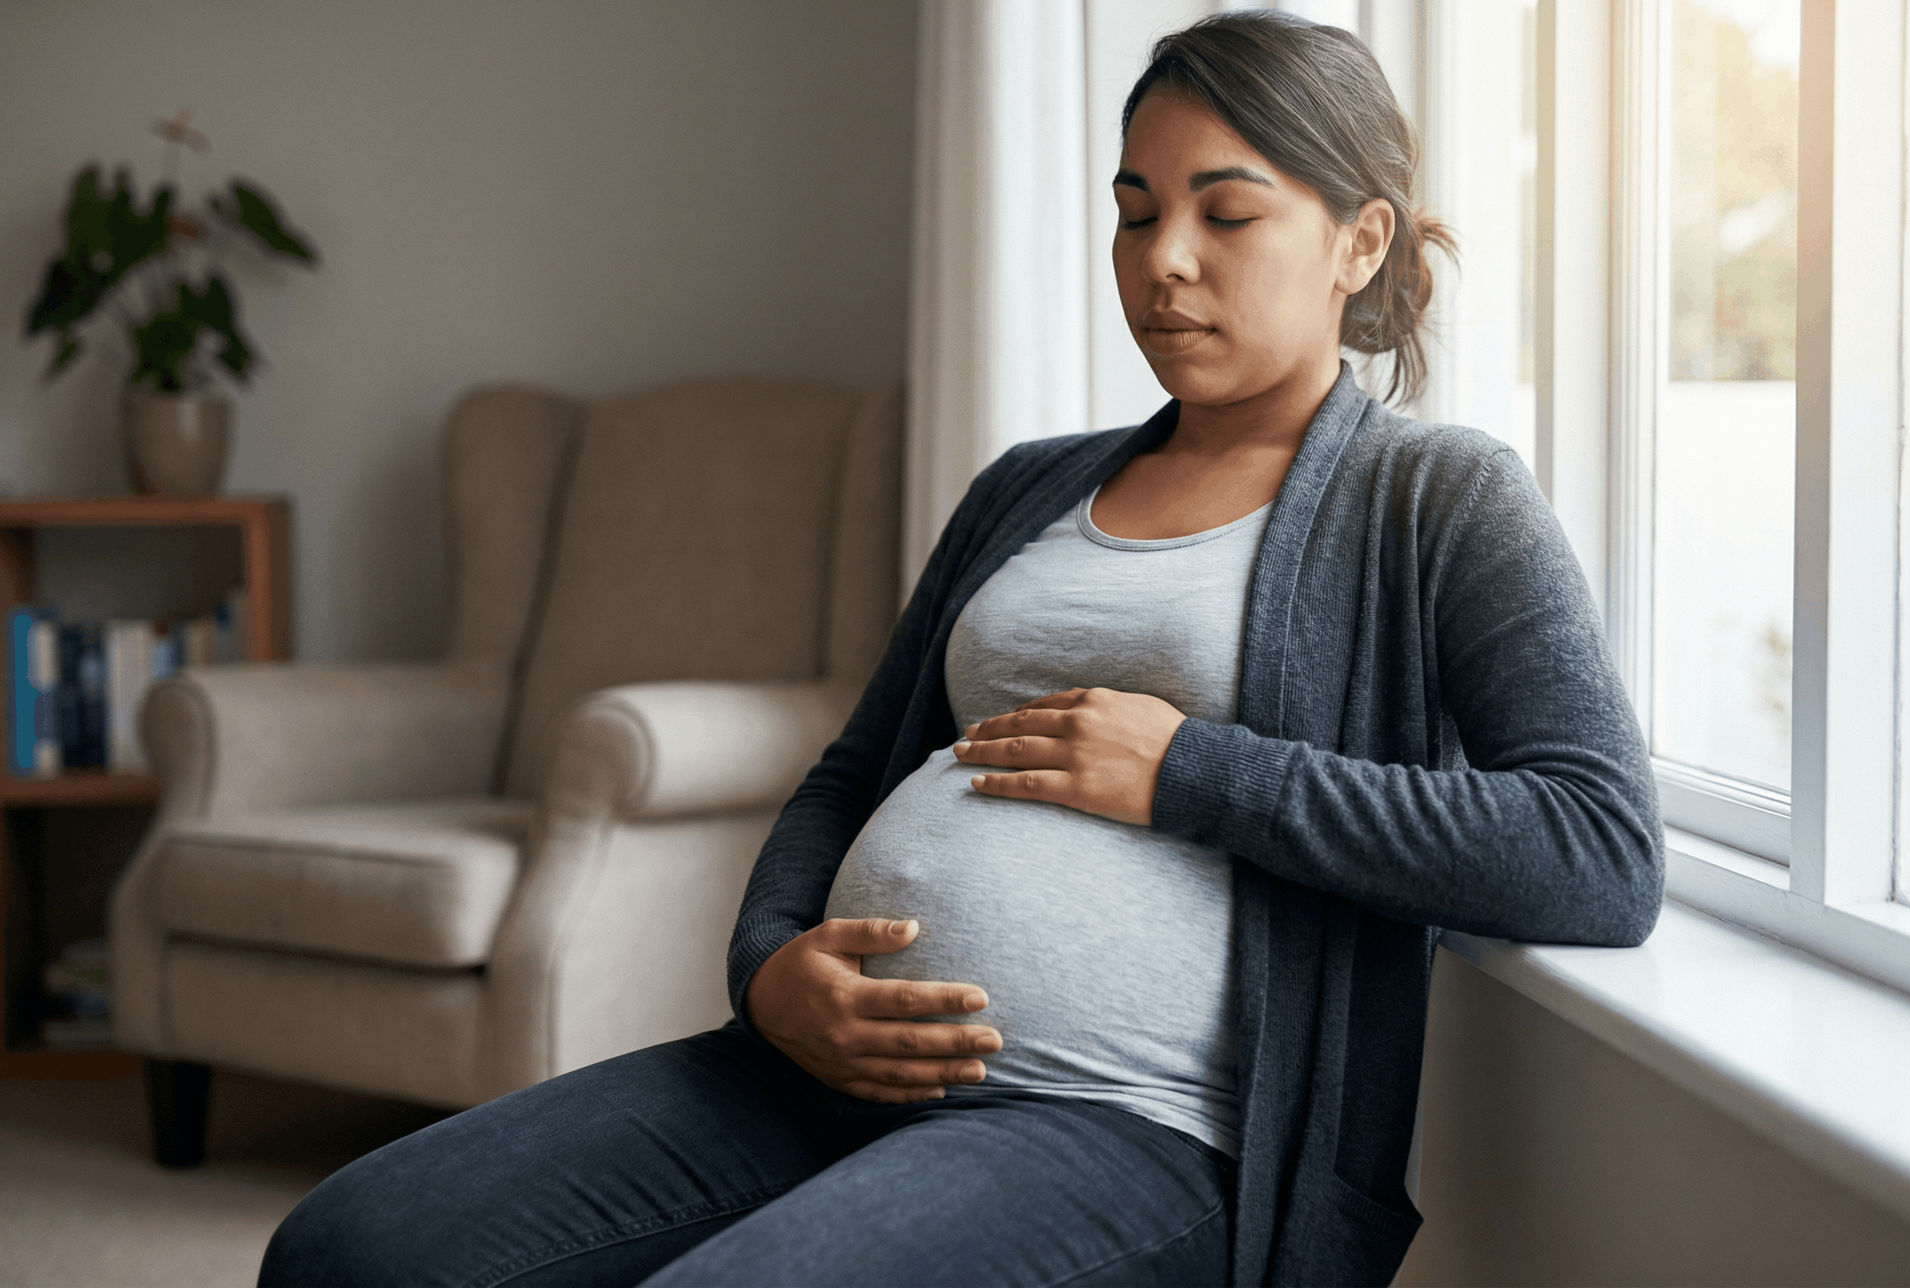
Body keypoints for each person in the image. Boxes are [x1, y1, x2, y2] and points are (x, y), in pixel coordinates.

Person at [257, 11, 1660, 1287]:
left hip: (1132, 1128)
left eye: (1227, 214)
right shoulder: (1028, 485)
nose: (1163, 260)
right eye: (1135, 213)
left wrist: (1192, 774)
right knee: (351, 1250)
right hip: (816, 1070)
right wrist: (767, 964)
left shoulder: (1436, 499)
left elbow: (1596, 852)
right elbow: (856, 768)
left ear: (1360, 243)